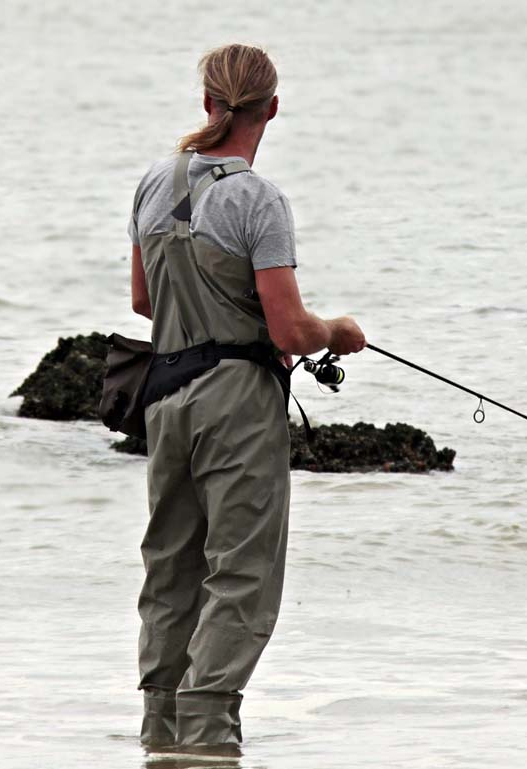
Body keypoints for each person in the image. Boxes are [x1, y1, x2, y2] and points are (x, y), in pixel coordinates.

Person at [128, 43, 366, 752]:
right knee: (241, 573)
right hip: (236, 402)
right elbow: (290, 326)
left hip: (164, 396)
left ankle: (160, 733)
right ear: (272, 109)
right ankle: (206, 733)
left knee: (171, 568)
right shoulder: (257, 199)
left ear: (208, 103)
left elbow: (144, 301)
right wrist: (340, 332)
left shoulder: (151, 182)